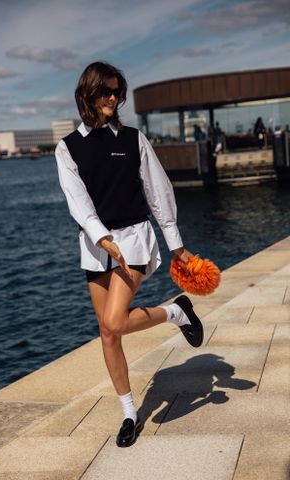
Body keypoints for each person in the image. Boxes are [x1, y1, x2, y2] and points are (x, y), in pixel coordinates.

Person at [55, 61, 203, 448]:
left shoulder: (134, 139)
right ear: (87, 92)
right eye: (105, 90)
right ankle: (128, 412)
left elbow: (158, 190)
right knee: (107, 333)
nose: (113, 97)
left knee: (115, 321)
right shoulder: (67, 148)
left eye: (117, 91)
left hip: (134, 240)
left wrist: (177, 245)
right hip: (95, 248)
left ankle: (176, 312)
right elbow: (78, 201)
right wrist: (102, 239)